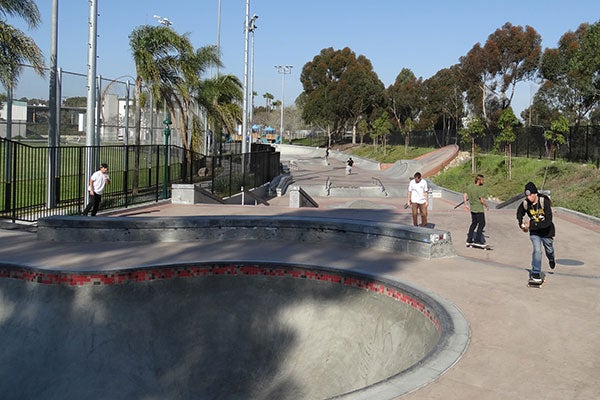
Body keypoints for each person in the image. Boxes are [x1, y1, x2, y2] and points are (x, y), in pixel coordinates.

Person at [516, 181, 556, 284]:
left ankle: (551, 259)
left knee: (549, 250)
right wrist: (521, 224)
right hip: (535, 233)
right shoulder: (525, 203)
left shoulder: (544, 202)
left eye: (531, 195)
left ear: (535, 194)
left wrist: (531, 224)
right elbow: (519, 212)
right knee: (537, 251)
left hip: (547, 232)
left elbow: (548, 222)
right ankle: (535, 273)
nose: (529, 198)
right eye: (527, 196)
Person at [463, 174, 490, 246]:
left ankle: (469, 239)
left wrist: (466, 204)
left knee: (474, 223)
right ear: (479, 180)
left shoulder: (470, 186)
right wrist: (487, 206)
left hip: (472, 209)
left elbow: (465, 195)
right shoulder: (479, 188)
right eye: (482, 180)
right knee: (482, 224)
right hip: (479, 209)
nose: (483, 181)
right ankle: (477, 240)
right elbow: (482, 200)